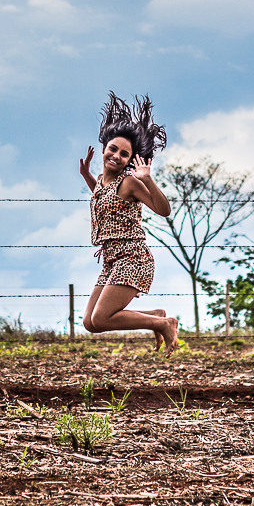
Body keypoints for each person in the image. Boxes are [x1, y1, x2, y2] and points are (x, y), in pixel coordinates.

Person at [79, 93, 180, 357]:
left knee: (101, 319)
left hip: (133, 258)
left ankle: (163, 323)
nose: (116, 156)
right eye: (113, 149)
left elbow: (164, 210)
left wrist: (147, 179)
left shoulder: (130, 183)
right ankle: (156, 316)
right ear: (104, 149)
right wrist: (87, 176)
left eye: (125, 154)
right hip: (112, 260)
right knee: (90, 322)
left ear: (130, 160)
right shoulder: (102, 181)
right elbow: (103, 197)